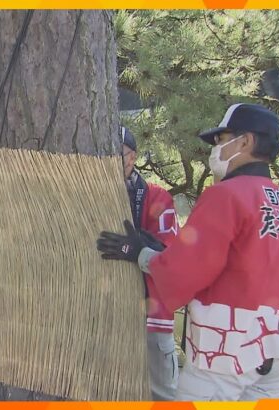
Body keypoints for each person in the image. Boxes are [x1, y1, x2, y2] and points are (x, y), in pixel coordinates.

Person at [97, 103, 279, 401]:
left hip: (227, 352)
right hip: (278, 355)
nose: (216, 150)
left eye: (221, 141)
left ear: (245, 142)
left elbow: (182, 271)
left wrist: (139, 253)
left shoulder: (227, 196)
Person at [119, 127, 180, 400]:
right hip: (109, 314)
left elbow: (173, 256)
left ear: (132, 157)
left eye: (118, 154)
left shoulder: (157, 197)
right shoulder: (90, 196)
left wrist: (139, 244)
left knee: (161, 394)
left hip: (152, 316)